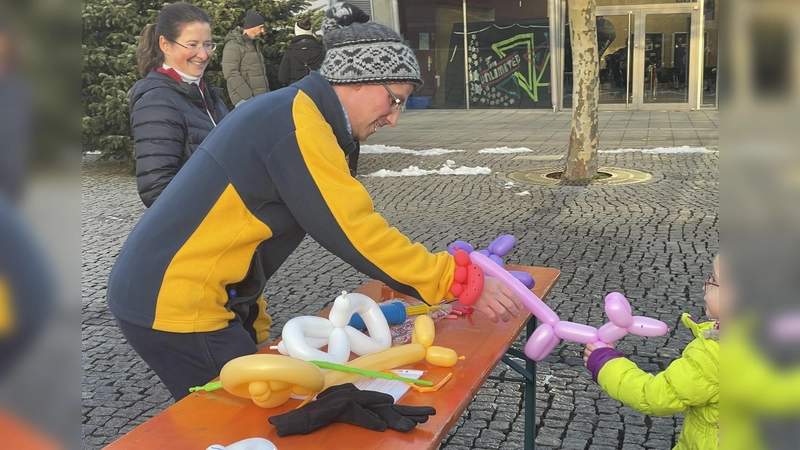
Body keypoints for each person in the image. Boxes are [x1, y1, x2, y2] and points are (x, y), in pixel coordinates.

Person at [106, 2, 522, 402]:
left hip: (192, 296)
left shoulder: (295, 113)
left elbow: (242, 236)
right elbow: (354, 229)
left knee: (251, 411)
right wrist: (453, 279)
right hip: (178, 305)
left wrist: (255, 325)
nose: (394, 118)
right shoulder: (296, 124)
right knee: (241, 425)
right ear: (357, 79)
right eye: (394, 99)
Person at [584, 254, 720, 450]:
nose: (704, 286)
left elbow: (656, 396)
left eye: (714, 280)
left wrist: (606, 364)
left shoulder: (712, 354)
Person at [130, 2, 229, 208]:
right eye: (192, 45)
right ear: (165, 44)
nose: (203, 55)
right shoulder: (158, 101)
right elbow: (157, 190)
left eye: (208, 44)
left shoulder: (205, 95)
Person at [222, 11, 270, 107]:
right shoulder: (233, 46)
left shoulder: (253, 44)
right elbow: (230, 73)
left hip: (260, 97)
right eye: (260, 27)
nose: (263, 31)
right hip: (246, 100)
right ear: (252, 27)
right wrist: (248, 96)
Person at [277, 17, 325, 87]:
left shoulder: (290, 52)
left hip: (296, 91)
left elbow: (282, 78)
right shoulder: (320, 51)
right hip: (317, 90)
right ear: (311, 33)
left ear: (296, 32)